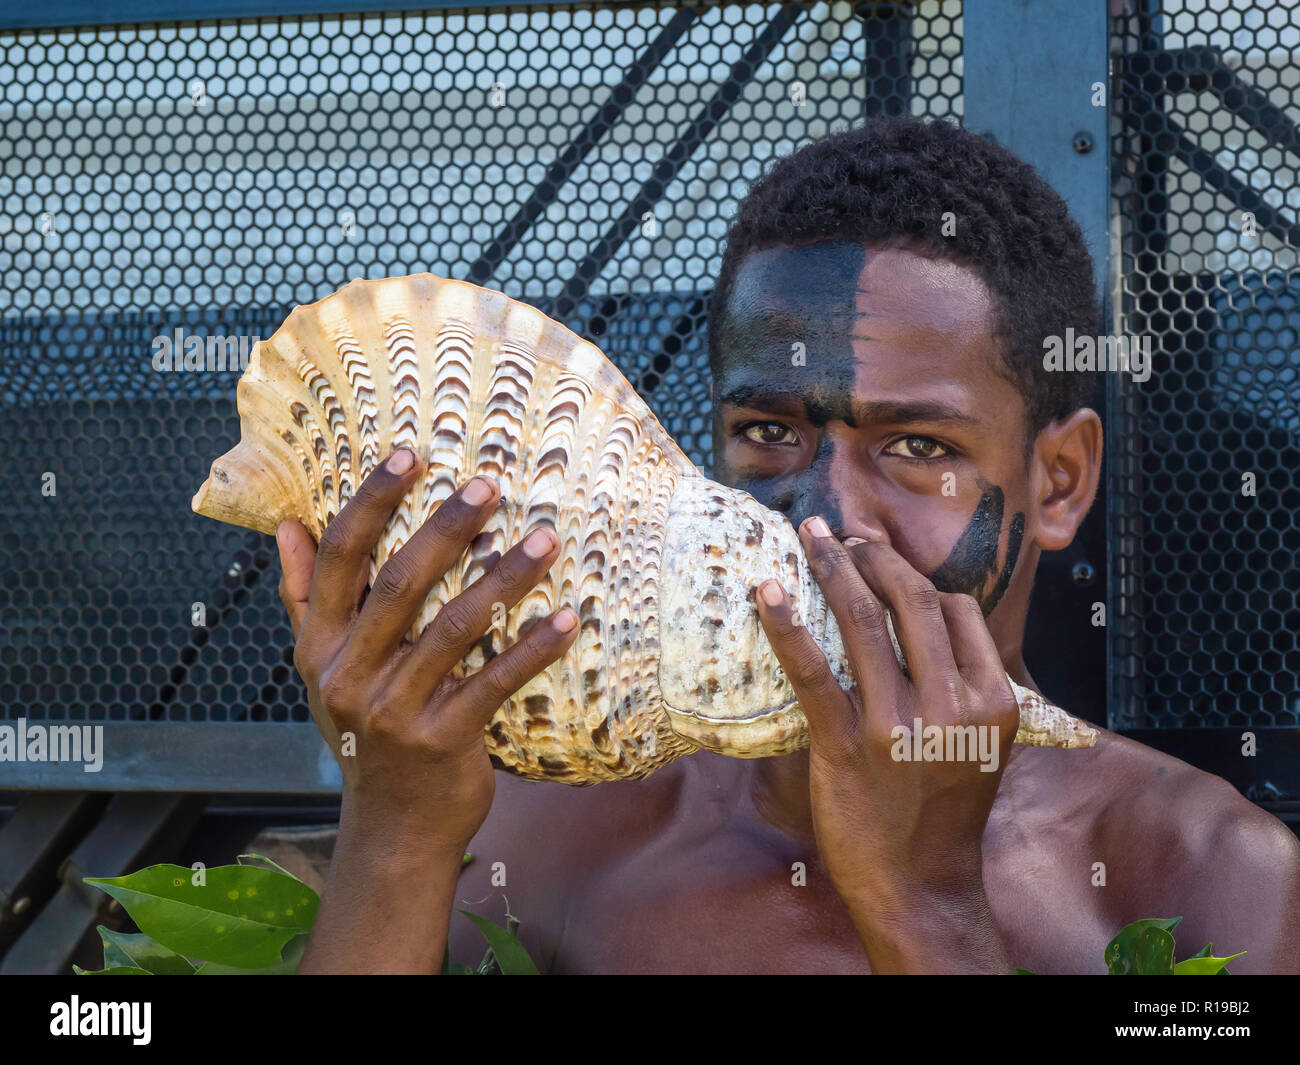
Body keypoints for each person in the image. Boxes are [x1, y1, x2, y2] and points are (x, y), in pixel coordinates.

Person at [274, 117, 1300, 974]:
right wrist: (396, 833)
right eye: (769, 434)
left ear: (1058, 481)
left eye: (915, 446)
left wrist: (924, 906)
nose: (823, 517)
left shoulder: (1204, 874)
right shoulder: (541, 837)